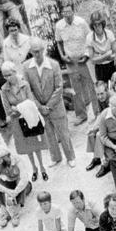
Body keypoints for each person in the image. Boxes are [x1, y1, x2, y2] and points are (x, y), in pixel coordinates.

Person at [25, 37, 75, 168]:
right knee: (48, 134)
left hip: (56, 106)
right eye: (34, 51)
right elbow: (28, 90)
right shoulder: (26, 67)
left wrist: (49, 106)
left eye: (39, 51)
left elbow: (59, 87)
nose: (37, 54)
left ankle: (70, 157)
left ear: (43, 50)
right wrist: (39, 106)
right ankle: (55, 157)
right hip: (40, 108)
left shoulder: (54, 65)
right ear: (31, 51)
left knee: (63, 133)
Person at [55, 2, 98, 124]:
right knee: (76, 89)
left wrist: (86, 55)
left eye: (69, 12)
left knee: (91, 86)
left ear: (73, 11)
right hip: (70, 62)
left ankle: (97, 112)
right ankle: (81, 115)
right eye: (64, 12)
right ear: (61, 13)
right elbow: (58, 42)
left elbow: (90, 38)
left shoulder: (81, 22)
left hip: (84, 60)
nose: (67, 14)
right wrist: (62, 56)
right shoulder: (59, 26)